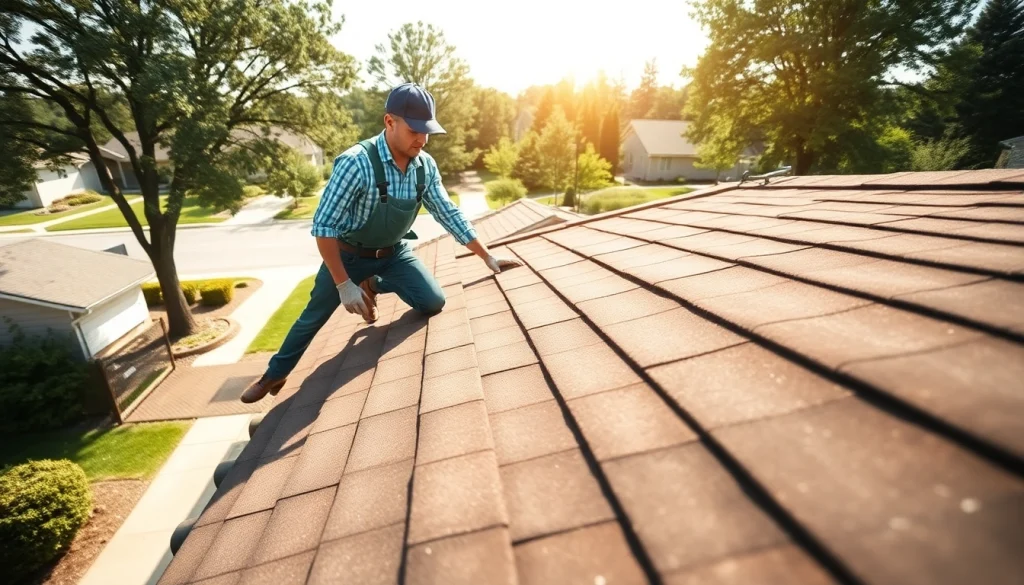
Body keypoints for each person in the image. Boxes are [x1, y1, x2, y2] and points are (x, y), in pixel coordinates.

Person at [240, 82, 521, 403]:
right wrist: (344, 284)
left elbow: (448, 212)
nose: (422, 139)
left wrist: (487, 256)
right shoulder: (355, 163)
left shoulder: (424, 167)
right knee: (312, 317)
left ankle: (373, 284)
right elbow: (323, 226)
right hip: (347, 255)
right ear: (390, 122)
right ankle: (274, 373)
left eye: (427, 131)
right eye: (415, 129)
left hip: (394, 254)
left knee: (433, 302)